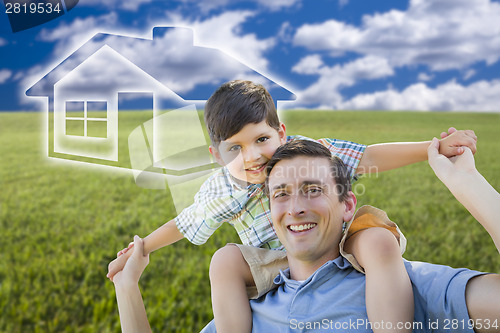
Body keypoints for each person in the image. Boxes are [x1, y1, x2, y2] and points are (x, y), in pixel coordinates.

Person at [107, 80, 477, 333]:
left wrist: (432, 149)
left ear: (281, 133)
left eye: (261, 139)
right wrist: (140, 249)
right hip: (276, 259)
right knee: (224, 260)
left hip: (338, 237)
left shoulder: (307, 152)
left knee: (377, 241)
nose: (252, 157)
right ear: (217, 157)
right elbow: (184, 224)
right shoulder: (220, 189)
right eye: (235, 148)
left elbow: (366, 156)